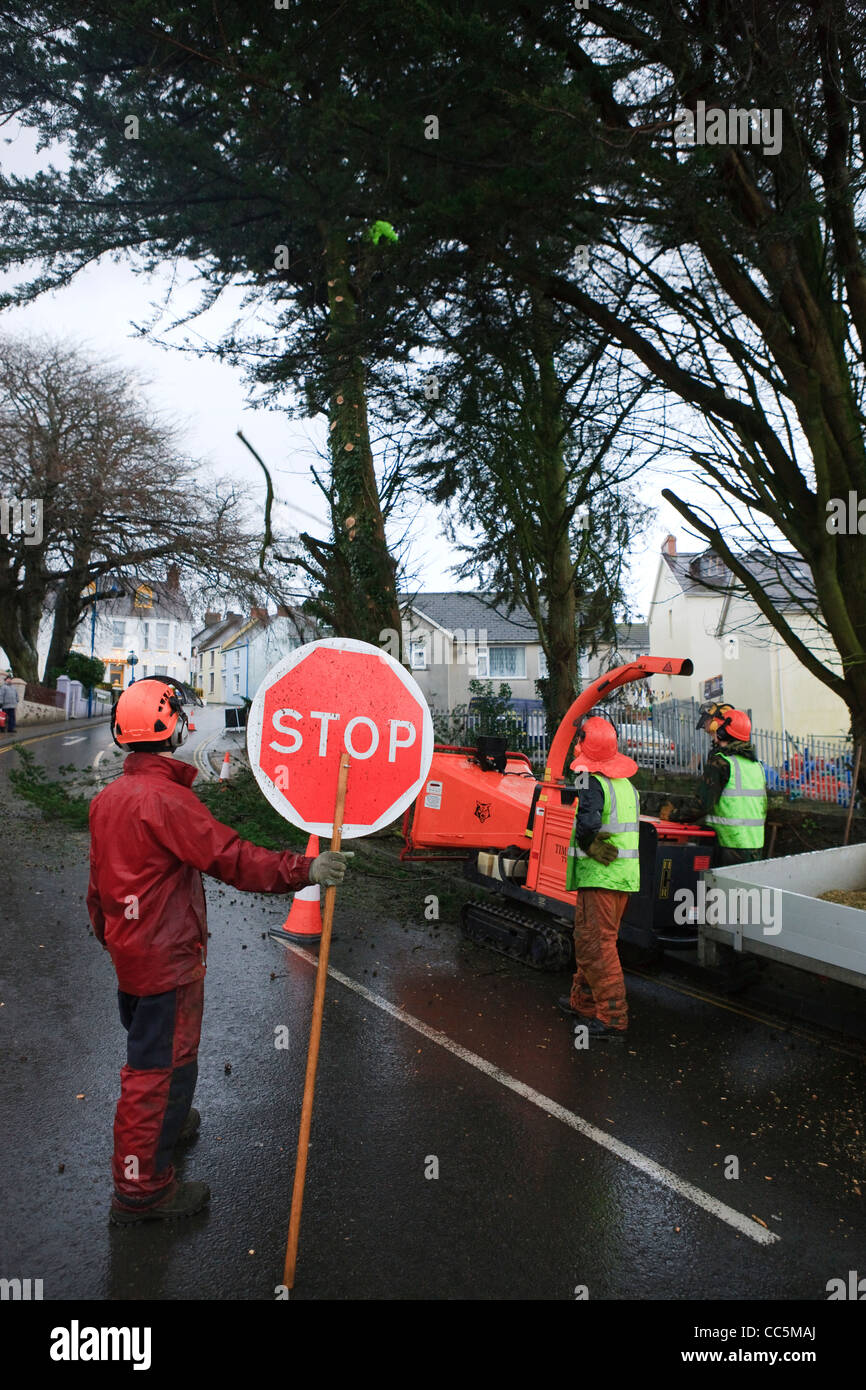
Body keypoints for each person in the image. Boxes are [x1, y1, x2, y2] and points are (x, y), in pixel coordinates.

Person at [86, 677, 352, 1225]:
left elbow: (98, 886)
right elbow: (231, 858)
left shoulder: (109, 799)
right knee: (152, 1070)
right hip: (167, 959)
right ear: (172, 728)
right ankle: (142, 1192)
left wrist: (113, 937)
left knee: (162, 1055)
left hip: (133, 955)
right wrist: (305, 869)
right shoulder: (167, 801)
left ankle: (171, 1121)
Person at [559, 717, 640, 1040]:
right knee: (589, 940)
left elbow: (588, 824)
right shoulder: (625, 785)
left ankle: (612, 1018)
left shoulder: (592, 781)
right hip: (619, 878)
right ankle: (585, 1002)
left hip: (602, 877)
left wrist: (586, 842)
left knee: (598, 945)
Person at [659, 704, 766, 866]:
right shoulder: (756, 766)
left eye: (717, 731)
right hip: (755, 846)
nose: (713, 736)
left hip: (727, 845)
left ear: (723, 732)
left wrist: (673, 815)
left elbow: (702, 805)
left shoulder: (721, 762)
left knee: (715, 889)